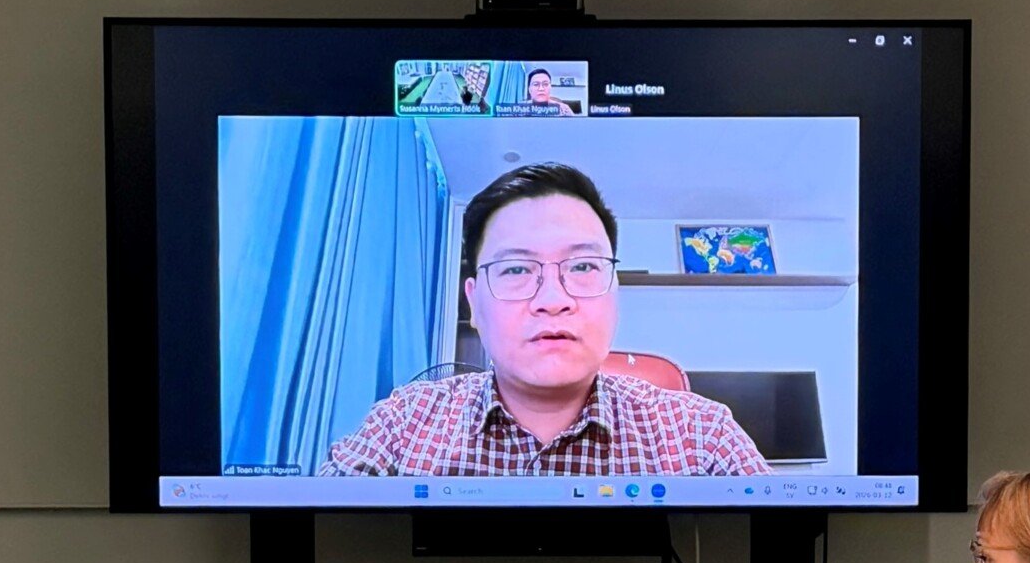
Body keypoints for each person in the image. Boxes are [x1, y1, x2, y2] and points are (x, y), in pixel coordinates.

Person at [319, 162, 770, 476]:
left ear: (614, 292)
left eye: (583, 266)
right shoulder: (404, 423)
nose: (553, 301)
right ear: (473, 304)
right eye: (516, 270)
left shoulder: (701, 434)